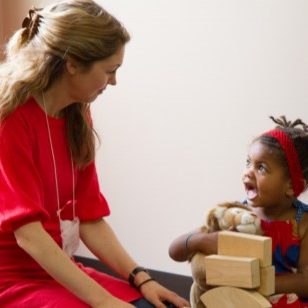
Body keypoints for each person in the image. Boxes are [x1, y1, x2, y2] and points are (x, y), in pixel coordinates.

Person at [0, 1, 190, 307]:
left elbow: (89, 219)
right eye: (110, 71)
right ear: (73, 64)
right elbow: (29, 236)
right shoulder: (10, 119)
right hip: (13, 279)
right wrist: (104, 302)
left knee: (157, 304)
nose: (113, 81)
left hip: (59, 269)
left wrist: (143, 279)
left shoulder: (77, 115)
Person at [169, 115, 308, 307]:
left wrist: (253, 282)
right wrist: (202, 240)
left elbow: (305, 281)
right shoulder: (238, 215)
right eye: (248, 162)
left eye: (261, 168)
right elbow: (175, 251)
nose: (248, 171)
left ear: (291, 186)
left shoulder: (303, 222)